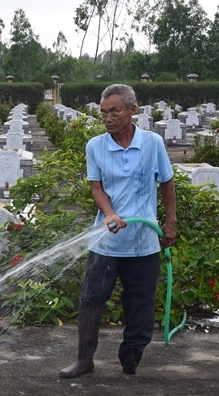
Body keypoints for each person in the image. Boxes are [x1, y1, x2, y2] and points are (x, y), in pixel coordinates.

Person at [60, 84, 177, 378]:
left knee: (140, 301)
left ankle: (132, 354)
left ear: (132, 110)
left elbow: (166, 182)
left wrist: (170, 221)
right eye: (103, 113)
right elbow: (96, 189)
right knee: (91, 299)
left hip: (143, 241)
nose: (108, 118)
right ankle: (84, 359)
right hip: (107, 242)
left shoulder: (152, 144)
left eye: (115, 111)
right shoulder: (96, 146)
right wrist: (110, 214)